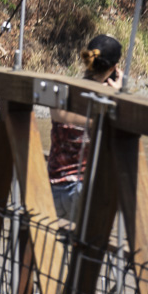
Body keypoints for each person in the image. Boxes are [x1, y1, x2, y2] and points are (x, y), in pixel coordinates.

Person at [47, 34, 122, 222]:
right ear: (114, 68)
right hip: (83, 196)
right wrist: (117, 96)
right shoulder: (108, 105)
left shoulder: (63, 91)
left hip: (51, 192)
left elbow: (60, 116)